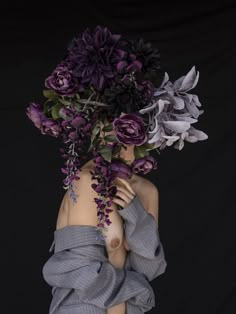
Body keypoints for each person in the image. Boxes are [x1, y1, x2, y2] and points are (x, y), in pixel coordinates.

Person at [55, 117, 161, 313]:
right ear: (96, 130)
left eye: (133, 129)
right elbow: (86, 276)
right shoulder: (86, 183)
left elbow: (147, 270)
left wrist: (134, 213)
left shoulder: (147, 191)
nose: (122, 139)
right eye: (113, 129)